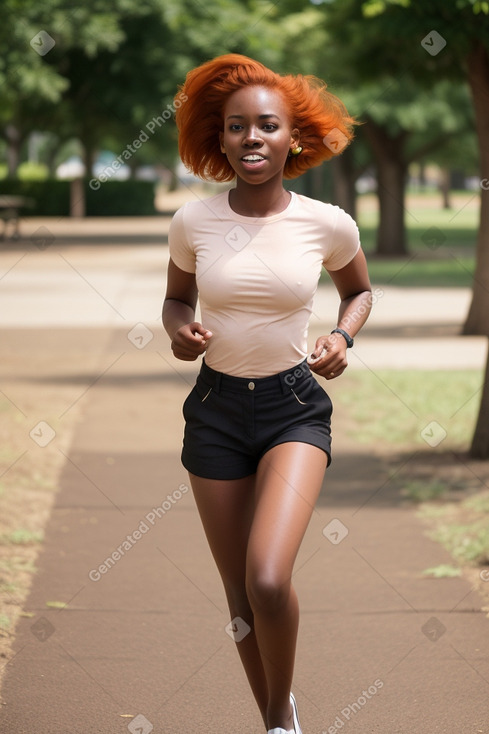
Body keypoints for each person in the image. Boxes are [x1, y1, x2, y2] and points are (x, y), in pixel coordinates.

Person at [162, 53, 372, 734]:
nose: (251, 137)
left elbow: (359, 291)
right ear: (217, 140)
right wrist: (178, 333)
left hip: (292, 409)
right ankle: (279, 724)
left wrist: (342, 336)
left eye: (266, 125)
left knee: (269, 579)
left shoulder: (327, 222)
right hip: (214, 413)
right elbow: (173, 300)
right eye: (235, 126)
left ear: (293, 138)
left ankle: (281, 717)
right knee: (238, 597)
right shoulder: (192, 223)